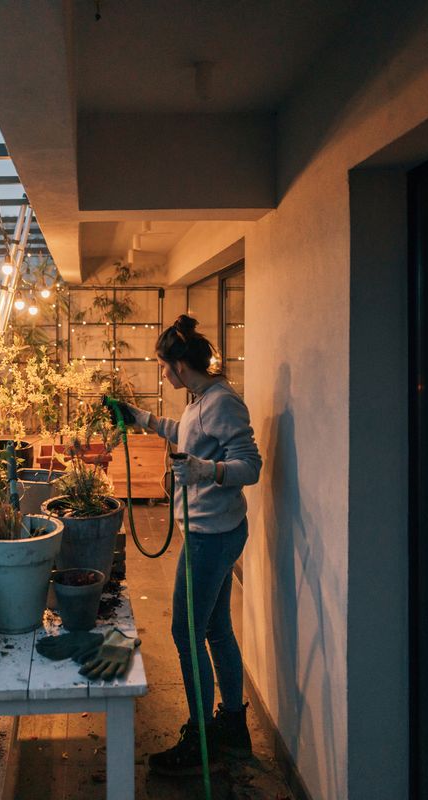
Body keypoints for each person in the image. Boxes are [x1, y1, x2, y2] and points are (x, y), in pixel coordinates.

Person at [108, 314, 262, 776]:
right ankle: (232, 726)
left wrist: (205, 471)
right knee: (215, 629)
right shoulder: (201, 400)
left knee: (186, 631)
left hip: (211, 537)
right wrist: (143, 420)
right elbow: (188, 434)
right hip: (209, 530)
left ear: (178, 364)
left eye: (162, 366)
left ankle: (200, 738)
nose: (162, 374)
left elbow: (250, 466)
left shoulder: (224, 403)